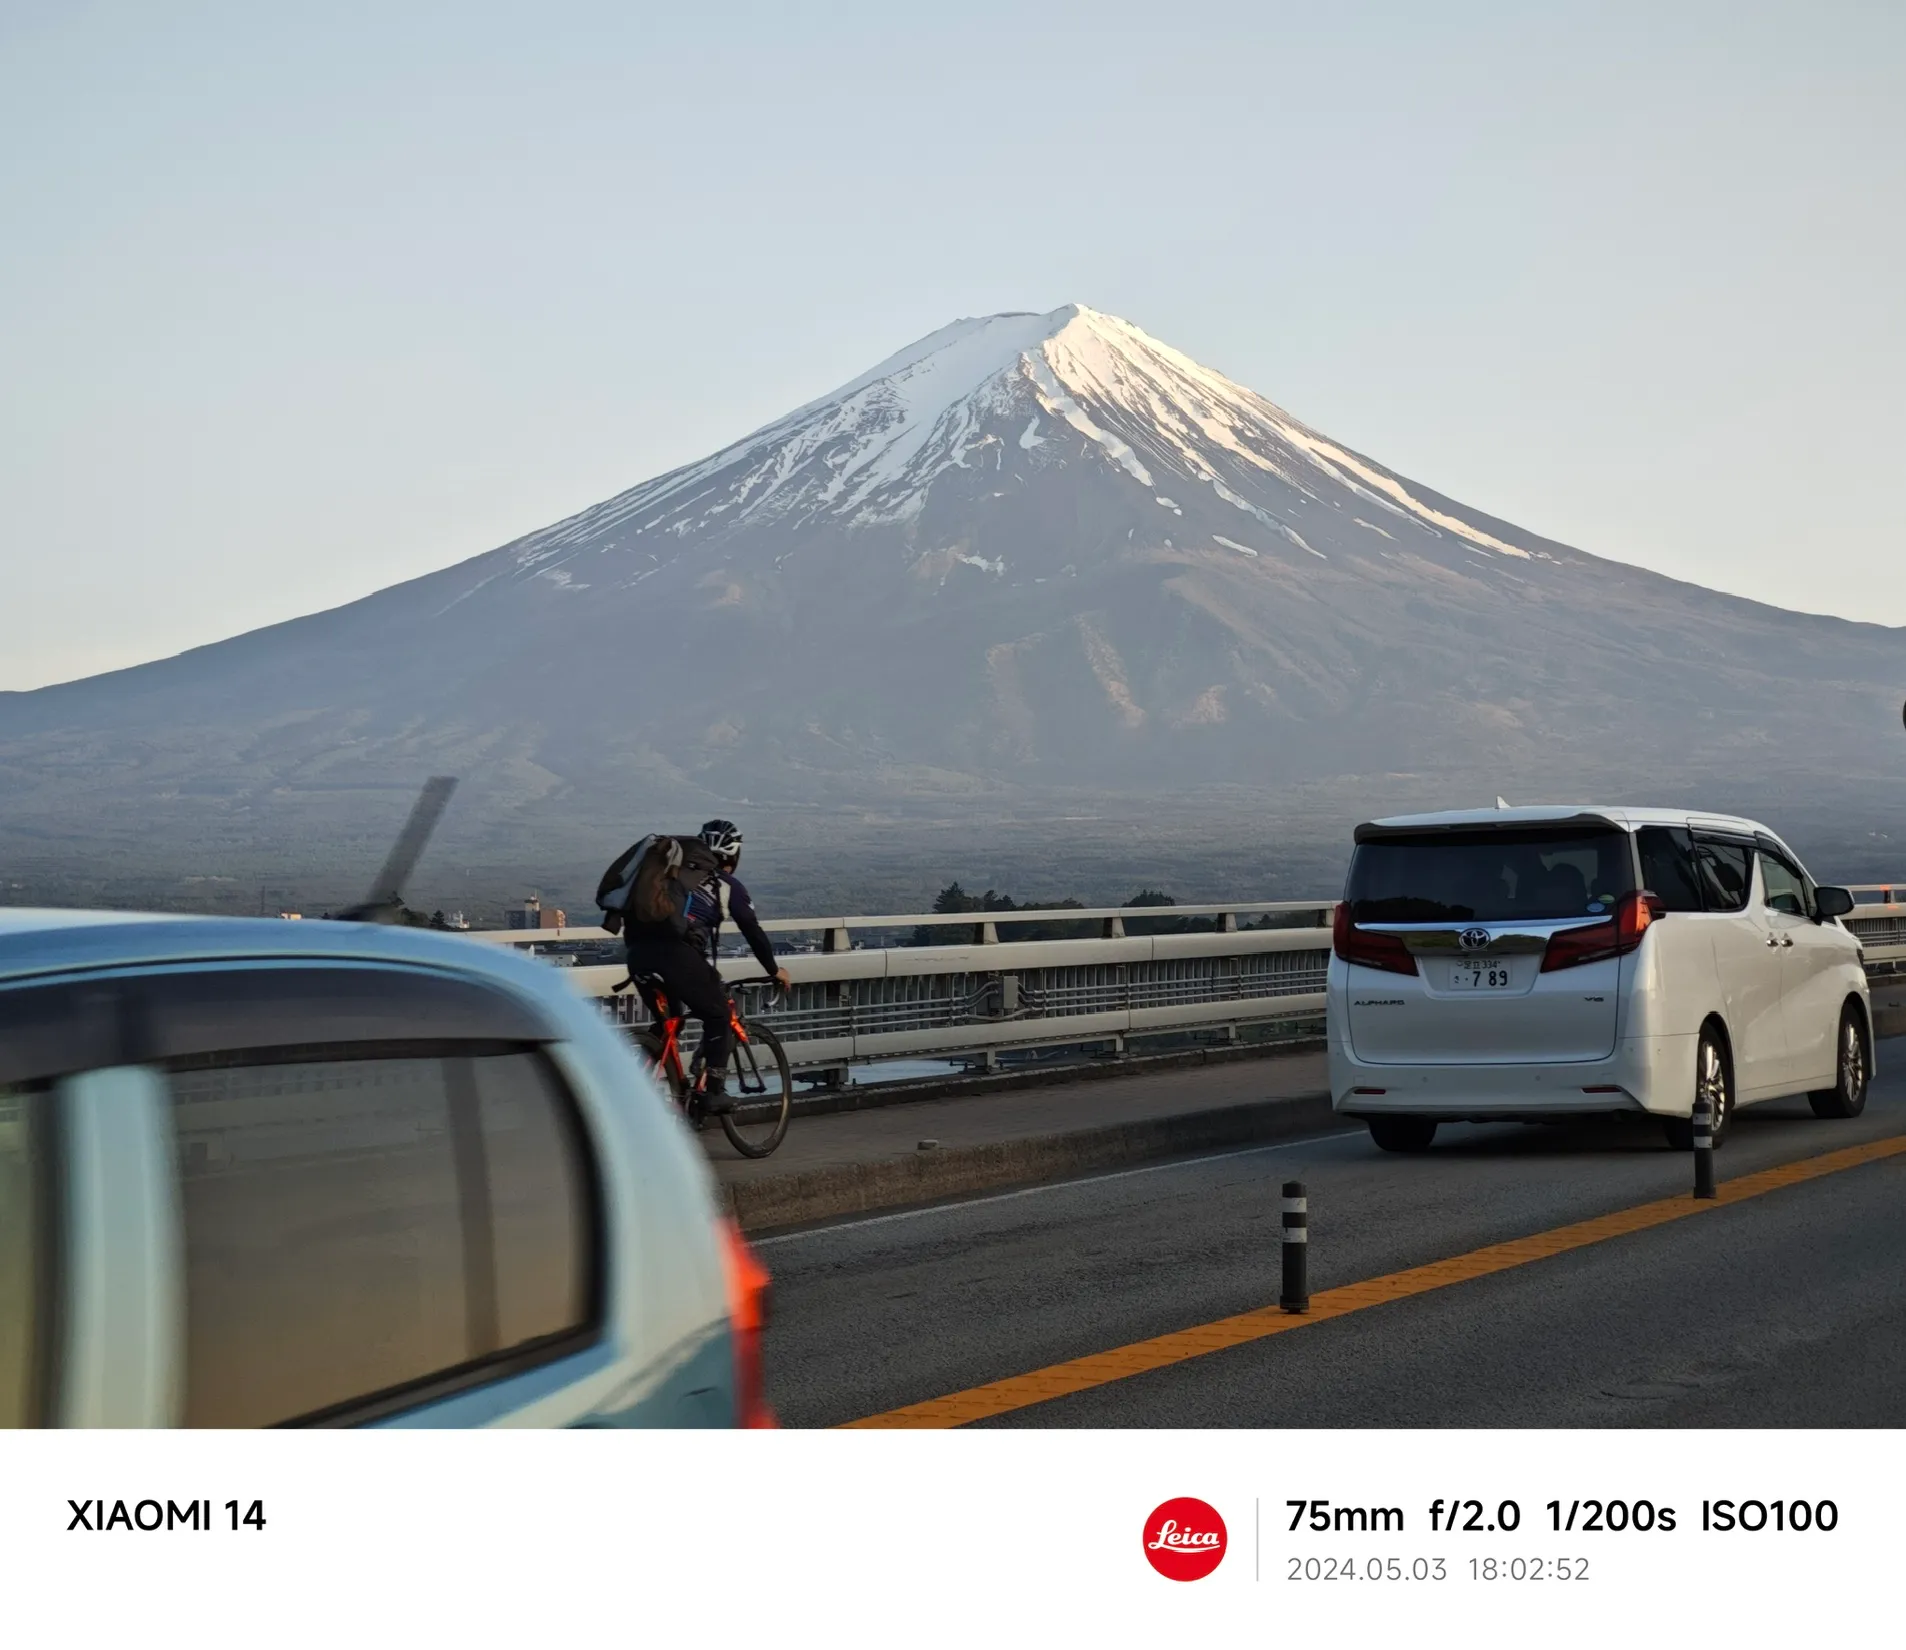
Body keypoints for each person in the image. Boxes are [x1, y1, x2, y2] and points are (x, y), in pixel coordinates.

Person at [685, 820, 793, 1000]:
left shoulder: (677, 875)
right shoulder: (728, 886)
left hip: (639, 949)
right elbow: (752, 931)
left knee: (670, 1022)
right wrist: (773, 970)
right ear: (733, 855)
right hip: (680, 955)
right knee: (720, 1015)